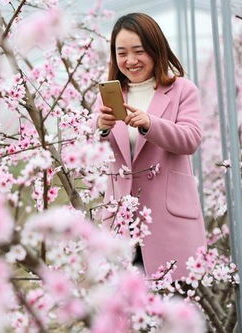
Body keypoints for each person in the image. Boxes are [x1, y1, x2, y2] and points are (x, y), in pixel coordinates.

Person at [93, 12, 206, 280]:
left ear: (156, 50)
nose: (130, 61)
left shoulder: (182, 90)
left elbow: (191, 139)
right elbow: (88, 155)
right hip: (121, 220)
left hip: (168, 220)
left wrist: (149, 124)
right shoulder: (110, 97)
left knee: (174, 307)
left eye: (138, 51)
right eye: (121, 53)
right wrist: (100, 128)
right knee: (128, 312)